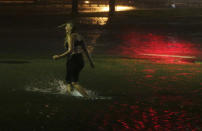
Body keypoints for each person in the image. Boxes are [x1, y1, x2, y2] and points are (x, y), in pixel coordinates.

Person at [53, 23, 94, 97]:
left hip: (73, 60)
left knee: (74, 83)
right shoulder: (80, 36)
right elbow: (85, 50)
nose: (65, 28)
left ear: (70, 28)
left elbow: (70, 50)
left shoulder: (71, 36)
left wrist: (58, 57)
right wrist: (91, 62)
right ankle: (71, 95)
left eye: (66, 26)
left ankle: (88, 97)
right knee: (68, 81)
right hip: (80, 60)